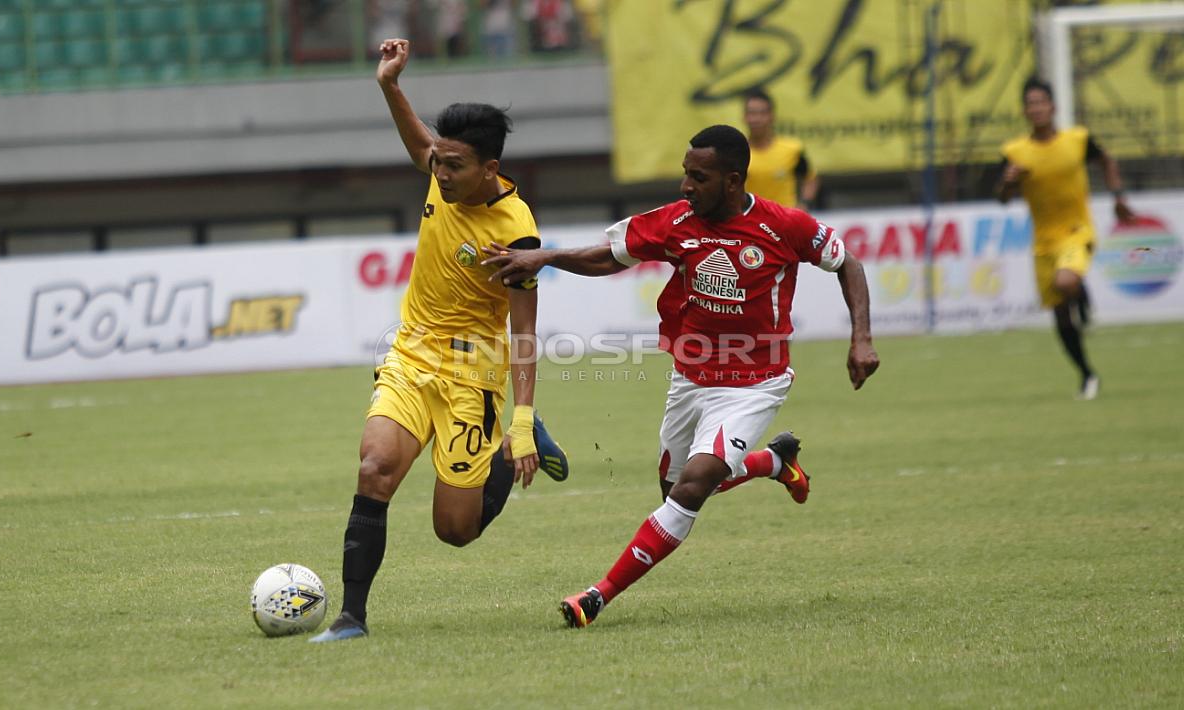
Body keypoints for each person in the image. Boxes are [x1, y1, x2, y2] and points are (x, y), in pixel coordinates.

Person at [482, 124, 879, 628]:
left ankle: (596, 596)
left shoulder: (785, 226)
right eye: (685, 174)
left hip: (755, 384)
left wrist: (861, 337)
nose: (686, 186)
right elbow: (610, 255)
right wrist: (549, 256)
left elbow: (849, 263)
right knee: (674, 490)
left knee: (692, 488)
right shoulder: (675, 221)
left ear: (733, 181)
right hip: (690, 380)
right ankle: (774, 463)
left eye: (698, 177)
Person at [310, 38, 569, 643]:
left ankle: (505, 451)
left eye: (453, 165)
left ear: (490, 169)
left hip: (473, 374)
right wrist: (390, 85)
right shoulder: (442, 173)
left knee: (455, 530)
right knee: (374, 468)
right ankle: (353, 618)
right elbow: (422, 143)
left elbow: (524, 330)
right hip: (410, 355)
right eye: (438, 162)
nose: (439, 172)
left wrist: (523, 419)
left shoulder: (517, 232)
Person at [997, 77, 1133, 401]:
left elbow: (1107, 160)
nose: (1037, 108)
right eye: (1031, 103)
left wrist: (1117, 196)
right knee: (1060, 316)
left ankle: (1082, 297)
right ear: (1025, 111)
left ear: (1053, 106)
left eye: (1041, 101)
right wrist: (1007, 181)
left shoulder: (1078, 140)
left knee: (1066, 281)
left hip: (1077, 231)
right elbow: (1002, 198)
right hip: (1043, 242)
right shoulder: (1016, 152)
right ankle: (1087, 374)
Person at [743, 87, 820, 210]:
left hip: (785, 223)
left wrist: (805, 204)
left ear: (771, 116)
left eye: (762, 113)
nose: (756, 119)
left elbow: (810, 179)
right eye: (751, 113)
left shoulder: (792, 149)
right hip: (750, 223)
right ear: (744, 117)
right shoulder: (738, 152)